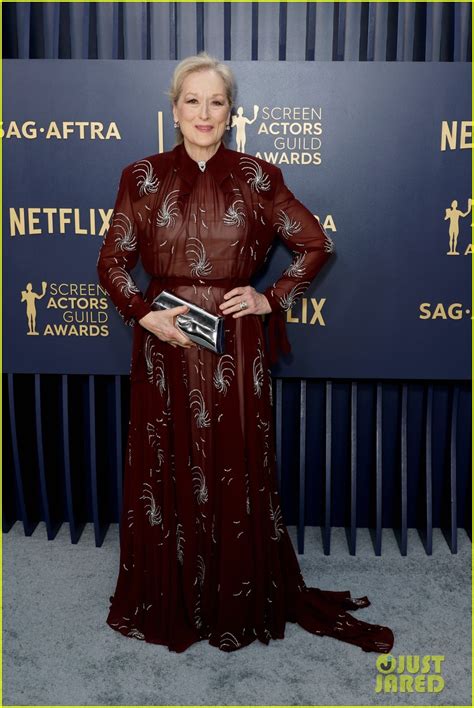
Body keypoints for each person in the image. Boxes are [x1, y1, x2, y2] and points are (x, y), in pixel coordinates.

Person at [97, 51, 395, 654]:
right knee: (171, 465)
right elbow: (111, 264)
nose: (203, 113)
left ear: (230, 113)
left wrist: (270, 298)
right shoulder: (141, 176)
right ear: (174, 109)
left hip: (235, 346)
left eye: (216, 102)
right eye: (192, 101)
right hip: (167, 344)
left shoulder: (260, 176)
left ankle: (235, 595)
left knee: (234, 464)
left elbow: (314, 244)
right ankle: (176, 596)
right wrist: (147, 316)